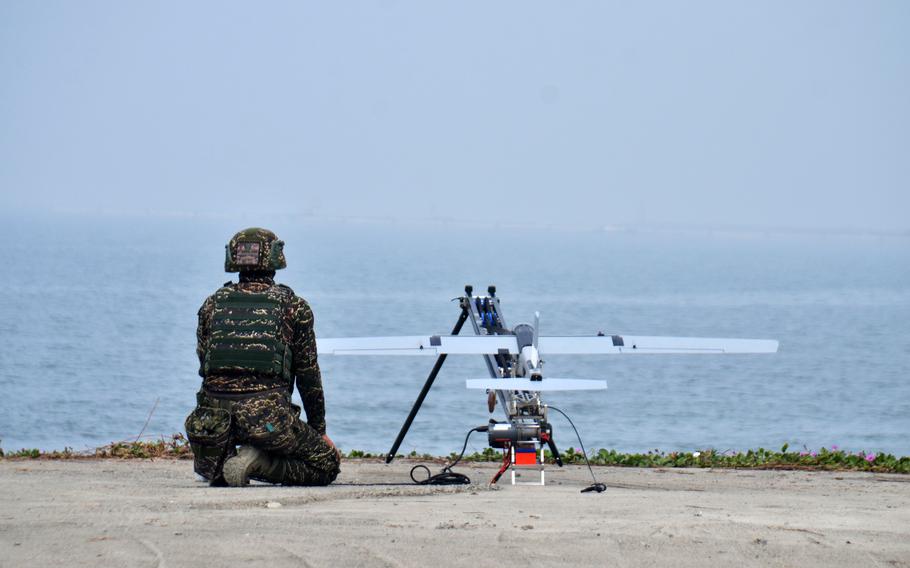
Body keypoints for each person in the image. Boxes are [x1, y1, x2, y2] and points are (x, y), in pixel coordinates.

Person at [185, 227, 340, 487]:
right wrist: (318, 431)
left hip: (214, 424)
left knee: (220, 470)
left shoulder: (211, 304)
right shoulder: (294, 307)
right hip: (267, 422)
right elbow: (308, 375)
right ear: (276, 257)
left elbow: (206, 365)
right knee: (326, 465)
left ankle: (225, 462)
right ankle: (258, 462)